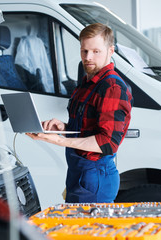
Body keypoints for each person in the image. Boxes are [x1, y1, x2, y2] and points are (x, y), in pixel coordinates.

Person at [26, 23, 133, 203]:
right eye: (84, 51)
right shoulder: (87, 82)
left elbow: (107, 143)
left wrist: (60, 140)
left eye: (96, 51)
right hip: (79, 173)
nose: (88, 57)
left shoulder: (112, 87)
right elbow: (89, 128)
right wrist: (63, 128)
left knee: (89, 231)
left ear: (111, 51)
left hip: (95, 177)